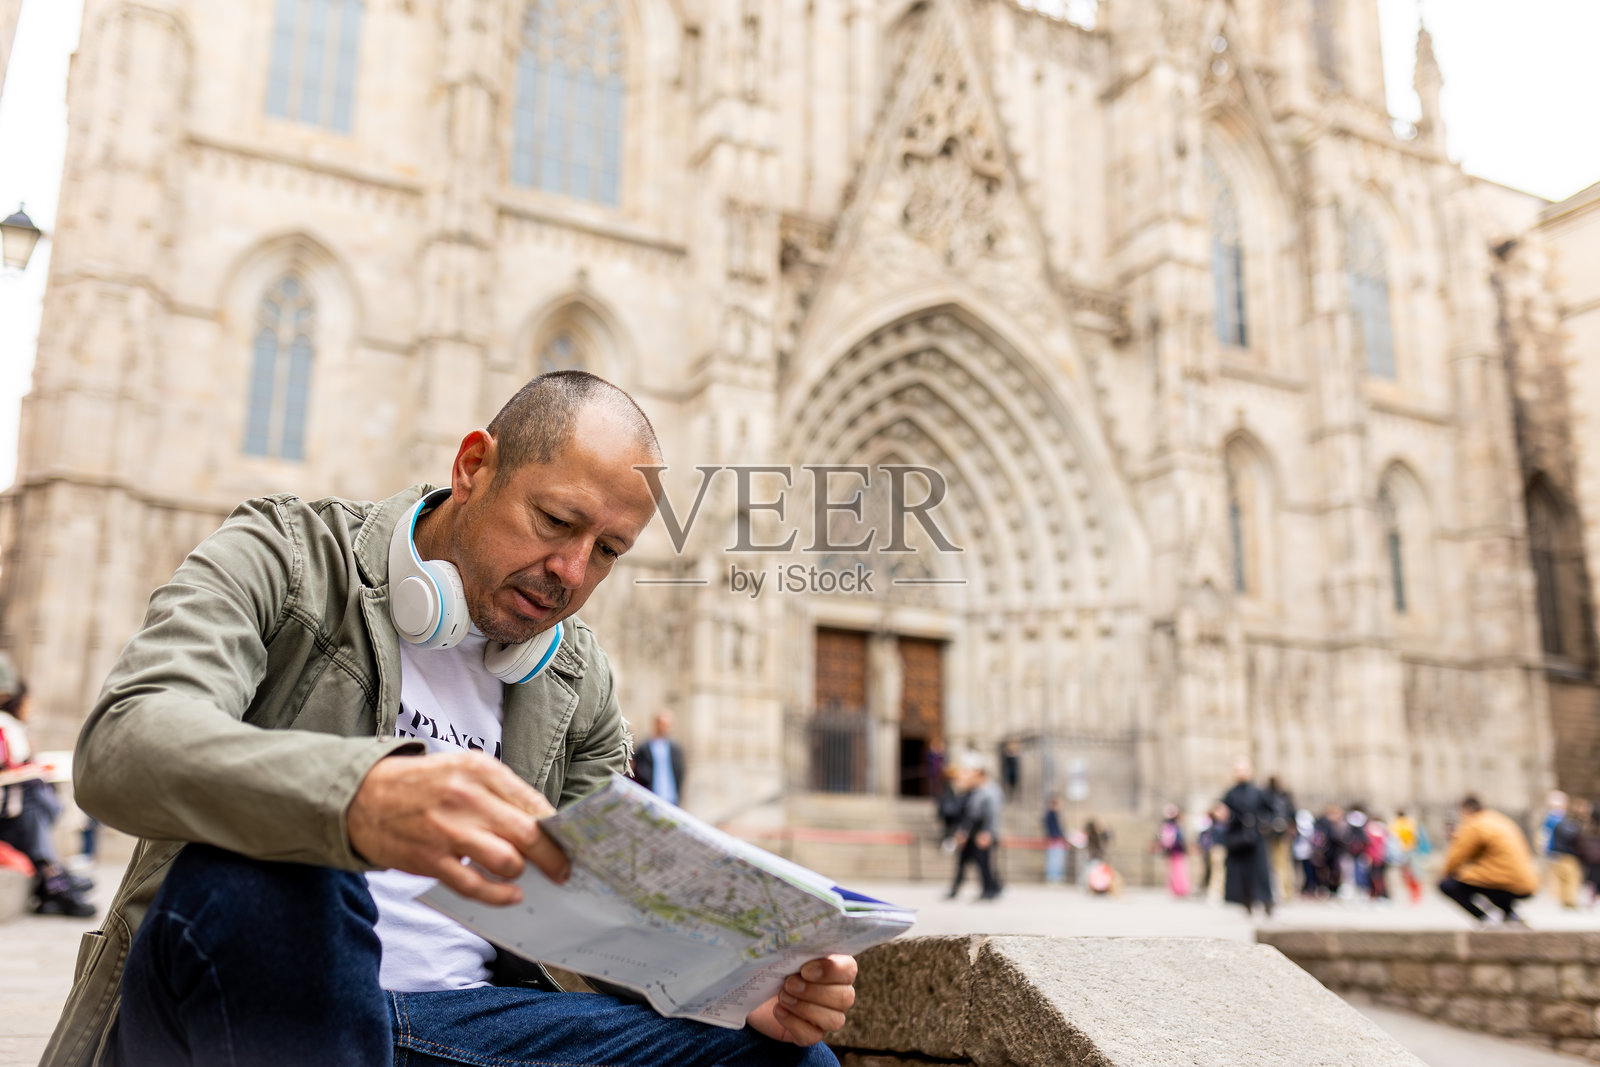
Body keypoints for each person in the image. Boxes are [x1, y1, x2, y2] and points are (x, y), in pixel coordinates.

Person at [43, 373, 855, 1067]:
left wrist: (732, 984)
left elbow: (610, 904)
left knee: (786, 1057)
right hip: (256, 1005)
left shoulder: (578, 677)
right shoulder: (288, 556)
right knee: (280, 867)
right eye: (556, 521)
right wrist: (356, 798)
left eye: (608, 550)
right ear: (472, 467)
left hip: (460, 1025)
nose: (572, 572)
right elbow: (125, 741)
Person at [0, 665, 96, 917]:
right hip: (10, 813)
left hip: (12, 809)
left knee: (34, 805)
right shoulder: (5, 725)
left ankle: (54, 880)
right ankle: (55, 879)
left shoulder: (11, 727)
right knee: (31, 808)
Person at [1439, 794, 1539, 926]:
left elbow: (1457, 857)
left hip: (1506, 882)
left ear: (1466, 810)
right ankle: (1510, 914)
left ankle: (1485, 919)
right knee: (1488, 878)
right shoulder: (1497, 819)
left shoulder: (1475, 824)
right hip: (1527, 882)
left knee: (1448, 885)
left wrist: (1446, 873)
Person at [1220, 758, 1275, 918]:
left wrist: (1265, 825)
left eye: (1243, 770)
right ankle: (1246, 901)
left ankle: (1267, 902)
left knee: (1261, 873)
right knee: (1242, 873)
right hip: (1239, 839)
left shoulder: (1258, 792)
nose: (1240, 773)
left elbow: (1271, 811)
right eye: (1237, 770)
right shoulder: (1230, 793)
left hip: (1256, 839)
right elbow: (1223, 813)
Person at [948, 760, 1003, 901]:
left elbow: (993, 814)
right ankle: (991, 888)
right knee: (973, 861)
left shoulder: (991, 791)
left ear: (981, 775)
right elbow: (970, 813)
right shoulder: (977, 791)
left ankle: (991, 889)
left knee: (983, 862)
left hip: (983, 830)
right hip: (974, 830)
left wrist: (988, 832)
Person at [630, 709, 686, 807]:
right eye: (665, 725)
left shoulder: (674, 748)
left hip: (671, 797)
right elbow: (639, 770)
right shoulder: (645, 747)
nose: (668, 728)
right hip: (650, 796)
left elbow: (679, 771)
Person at [1549, 798, 1589, 910]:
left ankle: (1565, 901)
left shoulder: (1559, 823)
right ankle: (1570, 901)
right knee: (1571, 878)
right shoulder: (1568, 826)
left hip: (1559, 854)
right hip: (1568, 855)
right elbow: (1574, 839)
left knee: (1565, 879)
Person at [1263, 776, 1295, 903]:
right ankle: (1283, 891)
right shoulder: (1282, 797)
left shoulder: (1276, 797)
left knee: (1280, 862)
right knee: (1281, 862)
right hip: (1277, 832)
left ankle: (1284, 891)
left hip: (1278, 833)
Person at [1157, 805, 1189, 898]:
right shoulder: (1173, 826)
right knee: (1178, 871)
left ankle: (1177, 889)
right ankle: (1179, 889)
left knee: (1175, 871)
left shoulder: (1167, 825)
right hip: (1176, 850)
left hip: (1173, 850)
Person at [1042, 794, 1067, 886]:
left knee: (1055, 858)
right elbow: (1055, 829)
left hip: (1055, 839)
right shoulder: (1051, 814)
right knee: (1054, 859)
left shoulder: (1053, 814)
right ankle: (1053, 876)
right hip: (1055, 839)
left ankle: (1055, 876)